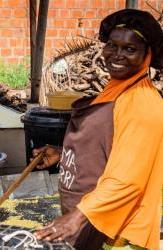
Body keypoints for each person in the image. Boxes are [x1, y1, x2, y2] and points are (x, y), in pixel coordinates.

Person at [32, 9, 163, 250]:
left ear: (148, 55)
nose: (118, 55)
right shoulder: (115, 89)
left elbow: (127, 180)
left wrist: (77, 217)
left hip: (120, 234)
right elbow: (110, 145)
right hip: (95, 223)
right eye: (112, 45)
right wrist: (64, 153)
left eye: (130, 49)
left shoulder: (142, 103)